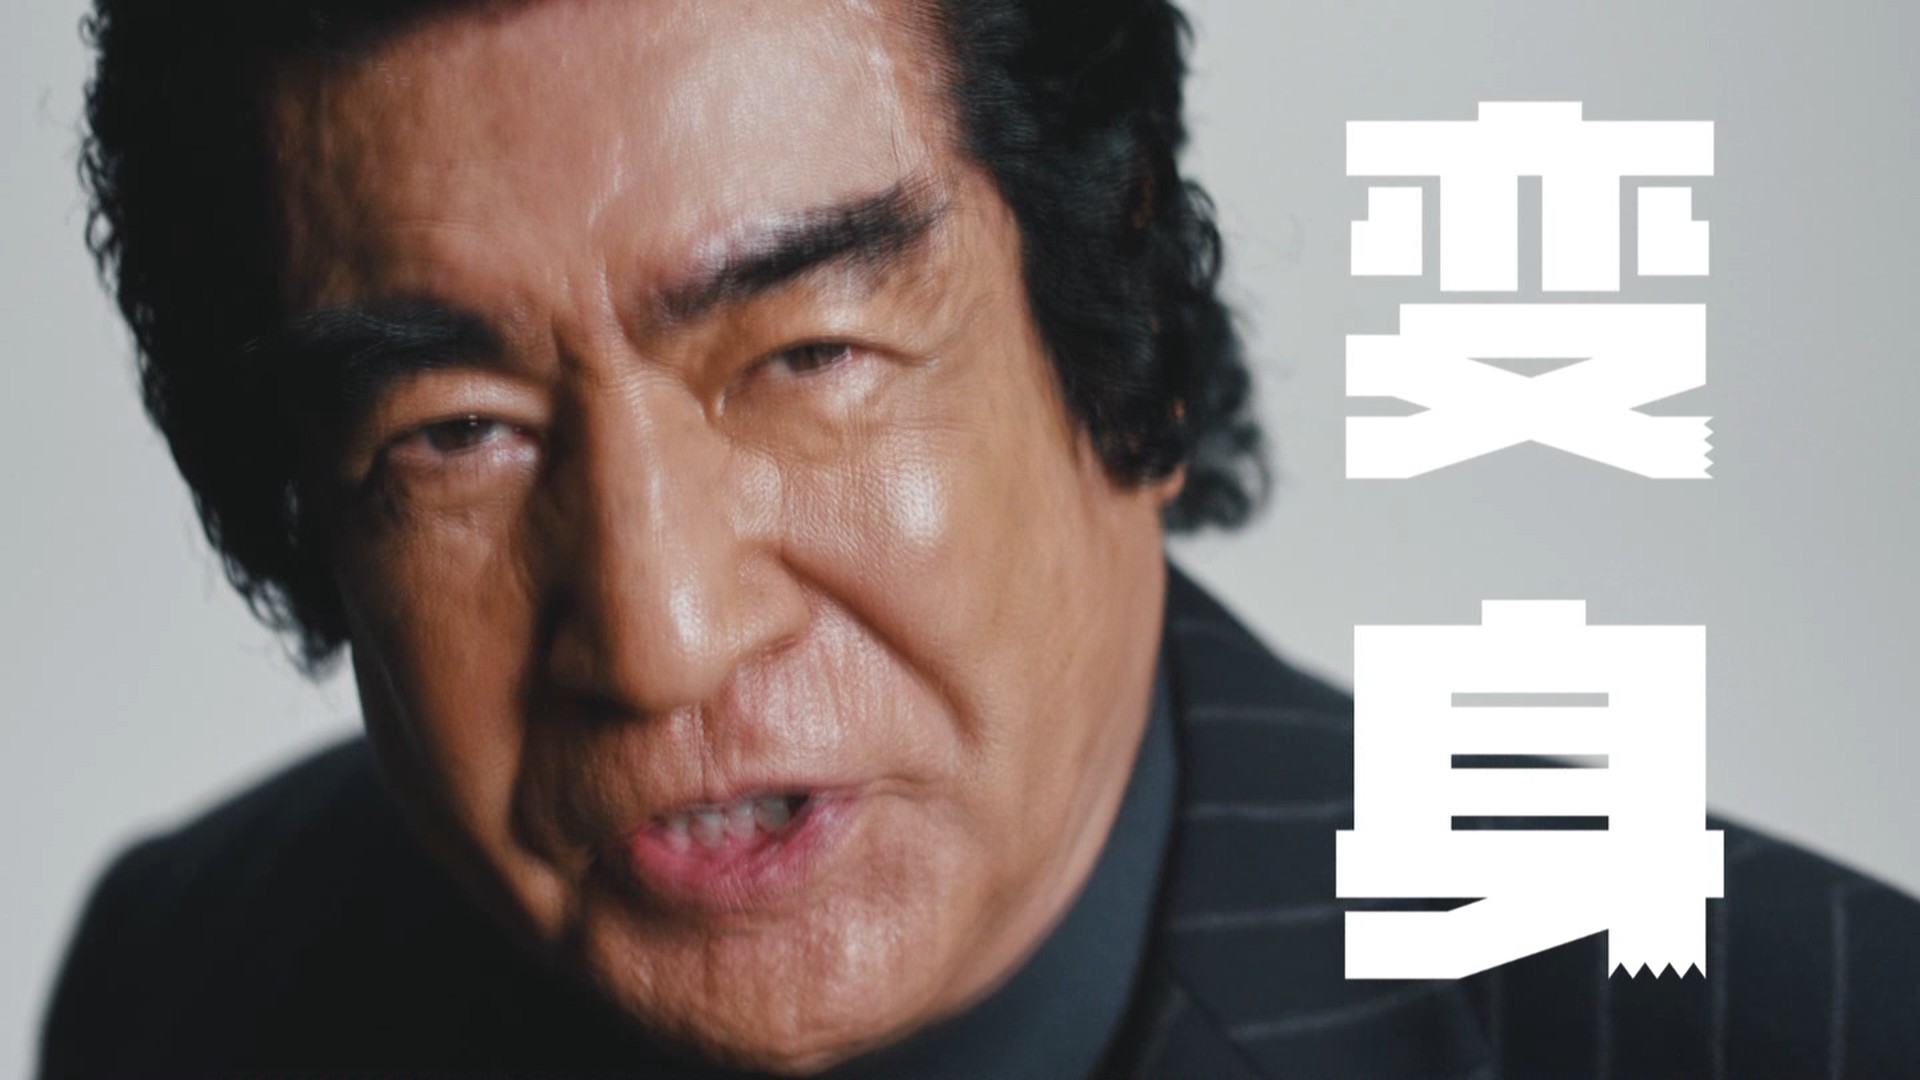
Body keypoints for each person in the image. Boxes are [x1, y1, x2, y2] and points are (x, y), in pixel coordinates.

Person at [40, 0, 1920, 1077]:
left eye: (808, 355)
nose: (661, 634)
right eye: (456, 432)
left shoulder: (1804, 1034)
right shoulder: (194, 986)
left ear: (1124, 325)